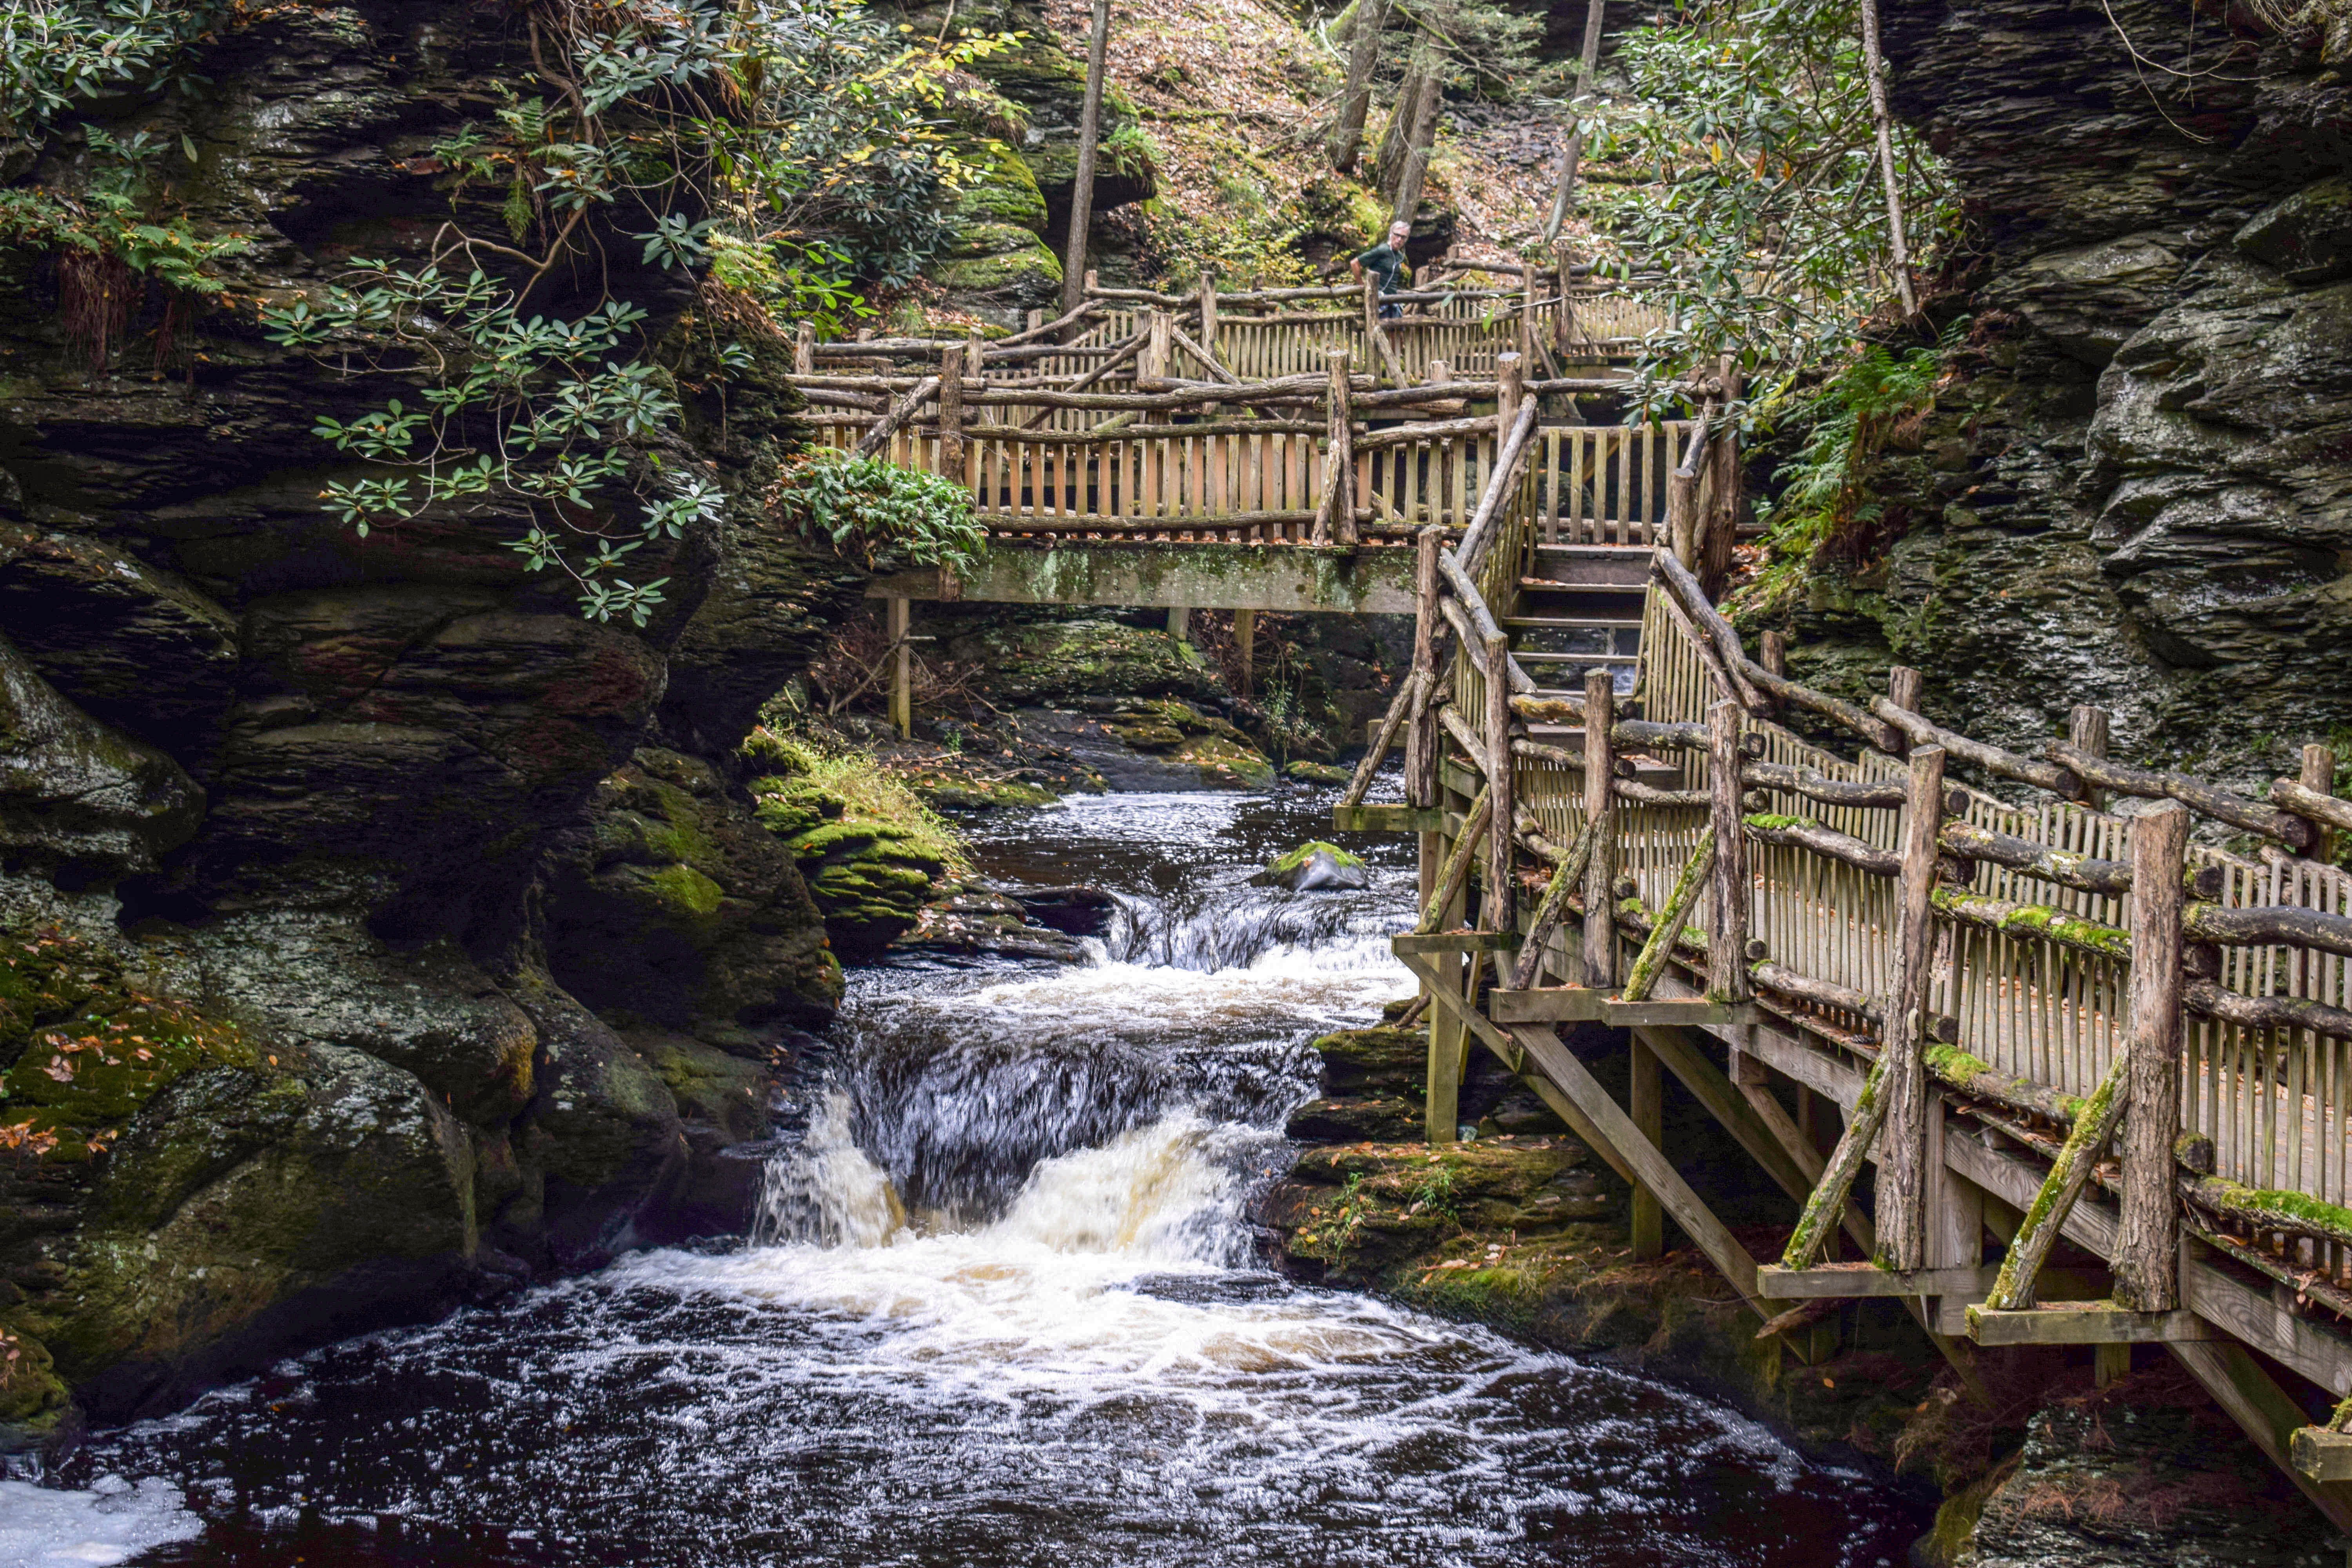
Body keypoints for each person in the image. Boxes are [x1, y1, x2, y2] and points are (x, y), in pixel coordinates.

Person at [1350, 221, 1412, 318]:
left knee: (1397, 332)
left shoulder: (1400, 256)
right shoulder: (1383, 250)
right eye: (1397, 235)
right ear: (1391, 234)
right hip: (1380, 301)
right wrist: (1362, 287)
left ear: (1407, 239)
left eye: (1403, 237)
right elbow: (1355, 263)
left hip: (1394, 302)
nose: (1399, 239)